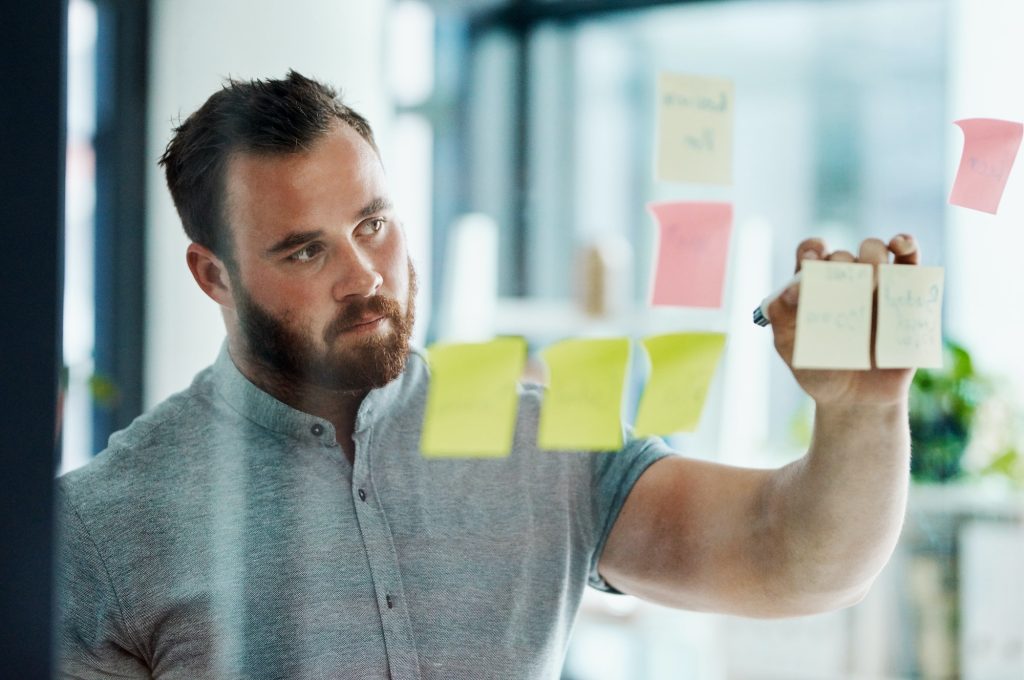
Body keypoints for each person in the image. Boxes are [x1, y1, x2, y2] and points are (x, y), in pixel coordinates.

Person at [57, 70, 919, 679]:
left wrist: (863, 412)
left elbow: (798, 560)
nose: (363, 276)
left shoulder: (544, 439)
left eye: (374, 225)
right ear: (213, 276)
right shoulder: (101, 529)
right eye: (306, 249)